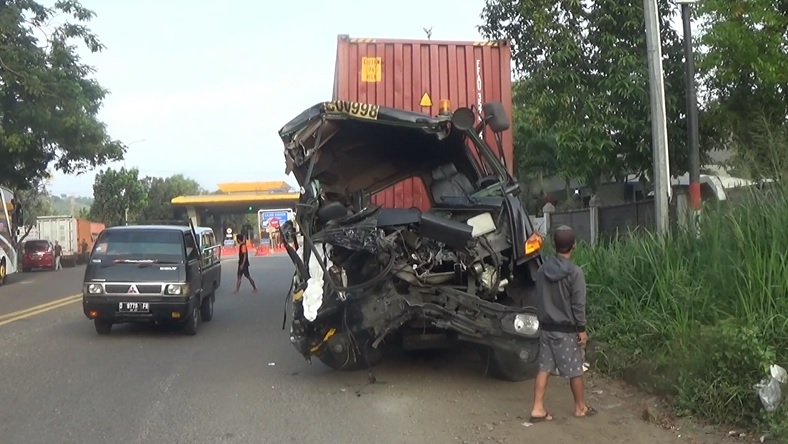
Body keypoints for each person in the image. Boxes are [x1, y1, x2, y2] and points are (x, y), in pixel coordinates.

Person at [529, 225, 597, 422]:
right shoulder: (575, 273)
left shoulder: (541, 271)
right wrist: (581, 330)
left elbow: (538, 297)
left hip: (546, 328)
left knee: (544, 367)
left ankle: (537, 408)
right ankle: (580, 407)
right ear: (574, 246)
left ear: (553, 245)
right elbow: (578, 304)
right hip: (566, 330)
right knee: (575, 369)